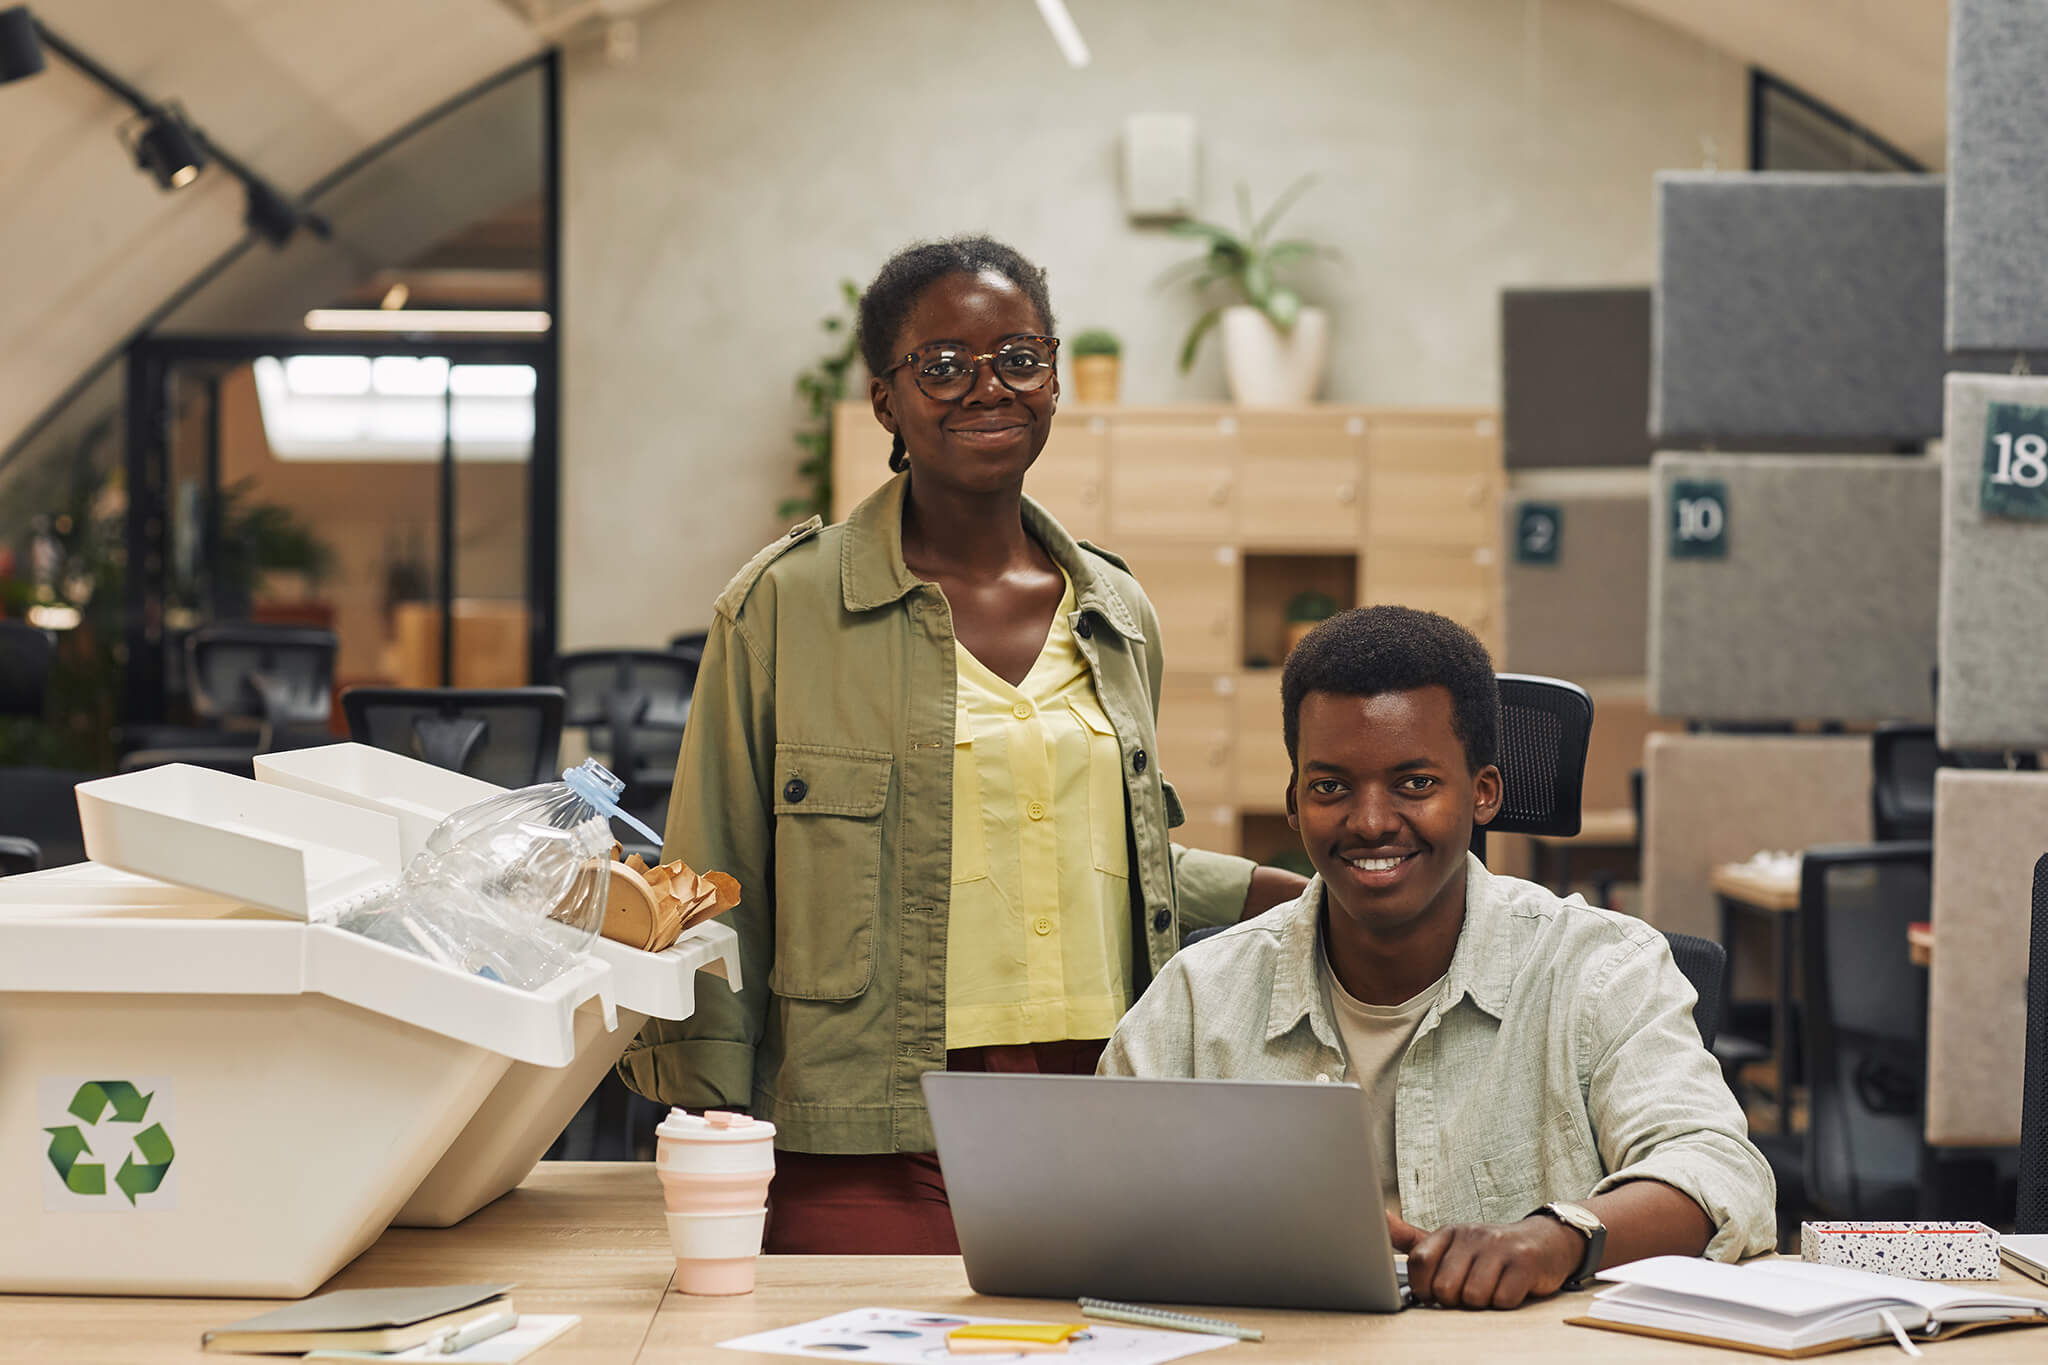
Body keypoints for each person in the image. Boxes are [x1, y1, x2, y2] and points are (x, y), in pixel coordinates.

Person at [619, 236, 1307, 1254]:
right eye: (942, 366)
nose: (988, 388)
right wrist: (710, 1119)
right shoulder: (782, 608)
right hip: (868, 1122)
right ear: (885, 401)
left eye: (1019, 358)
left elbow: (1106, 851)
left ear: (1053, 378)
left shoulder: (1117, 611)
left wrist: (1295, 892)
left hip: (1103, 1094)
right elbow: (716, 883)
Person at [1100, 605, 1776, 1308]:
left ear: (1483, 792)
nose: (1370, 821)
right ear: (1295, 803)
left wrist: (1557, 1237)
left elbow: (1720, 1171)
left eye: (1415, 783)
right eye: (1330, 787)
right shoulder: (1200, 995)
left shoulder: (1601, 970)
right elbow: (1096, 1194)